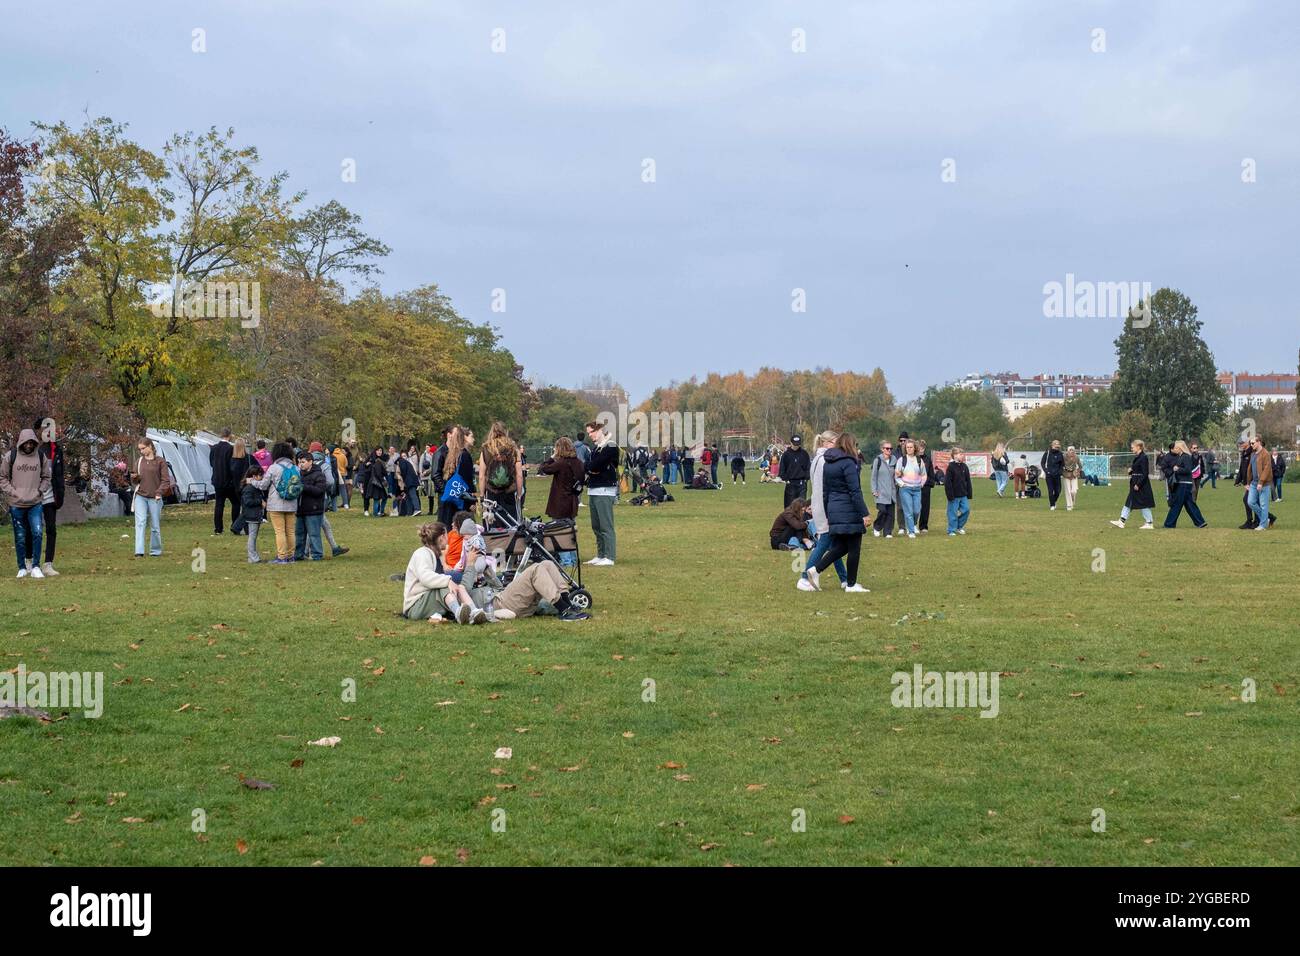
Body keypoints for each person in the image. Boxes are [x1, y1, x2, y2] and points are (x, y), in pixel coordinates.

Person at [805, 432, 870, 594]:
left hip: (834, 509)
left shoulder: (828, 463)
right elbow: (855, 491)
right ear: (850, 445)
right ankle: (851, 584)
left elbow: (825, 491)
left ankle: (816, 570)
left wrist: (828, 511)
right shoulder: (848, 463)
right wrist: (865, 513)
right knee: (854, 546)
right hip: (849, 509)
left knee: (841, 546)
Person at [401, 522, 490, 624]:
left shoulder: (435, 555)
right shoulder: (421, 554)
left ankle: (474, 612)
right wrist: (448, 581)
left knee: (457, 586)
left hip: (426, 601)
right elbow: (425, 578)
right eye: (447, 535)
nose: (448, 539)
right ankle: (458, 613)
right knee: (445, 585)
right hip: (414, 607)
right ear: (441, 537)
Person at [798, 431, 849, 590]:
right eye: (835, 442)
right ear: (825, 443)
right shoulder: (824, 461)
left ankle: (844, 579)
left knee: (833, 544)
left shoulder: (818, 459)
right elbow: (823, 487)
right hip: (824, 506)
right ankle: (805, 577)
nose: (838, 445)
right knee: (825, 541)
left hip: (820, 504)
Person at [2, 427, 53, 578]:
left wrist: (40, 490)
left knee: (37, 533)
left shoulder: (40, 456)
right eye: (27, 443)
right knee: (20, 536)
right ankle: (22, 567)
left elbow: (46, 477)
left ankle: (36, 566)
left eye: (32, 443)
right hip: (16, 504)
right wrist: (12, 491)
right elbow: (2, 477)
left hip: (35, 503)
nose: (29, 445)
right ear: (21, 442)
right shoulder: (10, 456)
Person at [21, 418, 64, 576]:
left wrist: (60, 494)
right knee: (32, 529)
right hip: (34, 496)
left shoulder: (56, 450)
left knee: (51, 529)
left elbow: (60, 474)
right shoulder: (30, 448)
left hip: (50, 497)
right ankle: (29, 561)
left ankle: (48, 564)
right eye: (45, 428)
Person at [251, 442, 300, 563]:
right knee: (290, 531)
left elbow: (263, 485)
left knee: (280, 531)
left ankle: (282, 556)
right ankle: (291, 556)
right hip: (292, 503)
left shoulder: (273, 468)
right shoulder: (296, 468)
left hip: (276, 504)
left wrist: (252, 481)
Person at [129, 437, 173, 557]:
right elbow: (134, 481)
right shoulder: (138, 461)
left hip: (155, 498)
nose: (141, 451)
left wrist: (159, 492)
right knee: (140, 523)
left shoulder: (160, 461)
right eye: (140, 449)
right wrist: (134, 478)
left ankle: (155, 551)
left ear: (150, 446)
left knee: (155, 526)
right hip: (140, 496)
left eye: (143, 448)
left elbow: (166, 481)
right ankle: (139, 551)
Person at [584, 420, 619, 566]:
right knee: (596, 526)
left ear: (599, 430)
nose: (590, 435)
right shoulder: (596, 448)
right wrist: (591, 468)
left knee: (606, 525)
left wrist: (591, 468)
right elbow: (589, 466)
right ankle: (600, 554)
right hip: (593, 488)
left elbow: (596, 465)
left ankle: (609, 556)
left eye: (591, 432)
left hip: (605, 490)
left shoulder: (610, 446)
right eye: (588, 433)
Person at [478, 421, 523, 529]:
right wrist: (519, 493)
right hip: (509, 491)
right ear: (505, 432)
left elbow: (481, 476)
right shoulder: (513, 449)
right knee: (512, 523)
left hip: (491, 492)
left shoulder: (486, 449)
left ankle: (494, 543)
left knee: (491, 522)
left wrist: (482, 495)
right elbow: (519, 474)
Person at [1110, 439, 1155, 529]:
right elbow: (1138, 470)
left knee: (1143, 504)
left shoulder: (1143, 457)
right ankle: (1121, 521)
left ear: (1138, 447)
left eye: (1132, 447)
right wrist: (1131, 471)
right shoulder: (1138, 457)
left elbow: (1145, 473)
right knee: (1129, 502)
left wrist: (1138, 484)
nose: (1131, 449)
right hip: (1135, 484)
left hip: (1141, 485)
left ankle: (1149, 523)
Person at [1163, 440, 1208, 529]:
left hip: (1183, 484)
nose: (1174, 449)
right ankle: (1200, 522)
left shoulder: (1186, 457)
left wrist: (1177, 469)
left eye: (1176, 447)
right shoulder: (1181, 457)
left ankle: (1169, 524)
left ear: (1180, 448)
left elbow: (1188, 470)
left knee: (1176, 504)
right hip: (1184, 484)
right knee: (1189, 504)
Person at [537, 437, 585, 520]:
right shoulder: (579, 462)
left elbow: (543, 469)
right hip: (573, 500)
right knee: (571, 528)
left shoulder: (561, 463)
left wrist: (552, 457)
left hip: (560, 502)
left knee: (559, 530)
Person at [292, 450, 328, 560]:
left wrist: (304, 487)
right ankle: (299, 555)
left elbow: (320, 490)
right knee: (299, 534)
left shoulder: (319, 474)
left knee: (314, 534)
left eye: (303, 462)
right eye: (299, 462)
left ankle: (317, 554)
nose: (300, 464)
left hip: (314, 509)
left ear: (310, 462)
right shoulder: (298, 474)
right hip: (301, 509)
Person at [438, 426, 478, 527]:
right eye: (471, 436)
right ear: (464, 437)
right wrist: (471, 502)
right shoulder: (464, 455)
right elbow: (467, 481)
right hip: (460, 502)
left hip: (450, 499)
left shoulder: (453, 454)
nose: (474, 439)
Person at [894, 438, 926, 538]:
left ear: (915, 448)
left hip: (917, 489)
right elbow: (896, 475)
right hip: (905, 489)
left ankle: (912, 525)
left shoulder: (919, 460)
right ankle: (911, 531)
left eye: (911, 447)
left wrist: (921, 484)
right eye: (907, 447)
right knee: (908, 510)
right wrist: (902, 484)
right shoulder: (901, 460)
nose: (909, 449)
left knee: (916, 510)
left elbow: (924, 474)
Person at [209, 428, 239, 534]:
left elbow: (211, 463)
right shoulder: (231, 448)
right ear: (229, 435)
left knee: (219, 504)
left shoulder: (214, 448)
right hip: (229, 481)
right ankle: (235, 525)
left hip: (217, 480)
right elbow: (232, 465)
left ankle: (218, 528)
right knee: (235, 503)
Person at [240, 463, 267, 562]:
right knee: (252, 536)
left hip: (255, 515)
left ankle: (252, 557)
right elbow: (248, 502)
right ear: (254, 476)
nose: (262, 477)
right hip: (252, 515)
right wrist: (260, 502)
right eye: (260, 475)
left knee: (253, 536)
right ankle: (253, 557)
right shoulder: (249, 488)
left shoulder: (254, 487)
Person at [1246, 436, 1274, 532]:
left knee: (1263, 505)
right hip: (1253, 483)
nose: (1251, 445)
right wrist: (1248, 482)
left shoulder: (1265, 454)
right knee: (1250, 502)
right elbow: (1250, 468)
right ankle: (1265, 519)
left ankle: (1262, 525)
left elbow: (1267, 469)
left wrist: (1261, 482)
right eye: (1250, 443)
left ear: (1259, 442)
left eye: (1253, 443)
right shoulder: (1253, 454)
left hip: (1264, 484)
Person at [870, 440, 897, 538]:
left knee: (890, 514)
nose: (889, 450)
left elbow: (897, 474)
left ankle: (888, 532)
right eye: (887, 448)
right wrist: (874, 490)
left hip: (892, 492)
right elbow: (873, 477)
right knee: (883, 511)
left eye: (890, 448)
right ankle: (877, 527)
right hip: (880, 492)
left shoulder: (894, 460)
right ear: (882, 449)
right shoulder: (878, 460)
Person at [944, 447, 973, 535]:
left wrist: (969, 493)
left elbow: (968, 480)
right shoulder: (950, 467)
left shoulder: (965, 466)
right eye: (960, 454)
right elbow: (948, 483)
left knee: (966, 510)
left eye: (962, 454)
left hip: (963, 494)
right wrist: (950, 495)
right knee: (952, 513)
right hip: (954, 495)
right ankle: (951, 530)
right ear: (955, 455)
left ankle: (959, 527)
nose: (962, 456)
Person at [779, 435, 811, 507]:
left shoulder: (804, 454)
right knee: (790, 505)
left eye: (798, 444)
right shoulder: (786, 454)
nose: (796, 446)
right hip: (790, 483)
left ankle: (801, 518)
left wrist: (806, 478)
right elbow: (782, 468)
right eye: (794, 444)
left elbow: (808, 467)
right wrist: (785, 479)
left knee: (802, 505)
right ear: (791, 443)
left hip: (802, 483)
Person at [229, 439, 251, 524]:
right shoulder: (248, 458)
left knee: (235, 506)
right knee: (245, 506)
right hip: (245, 485)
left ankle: (235, 523)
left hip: (235, 486)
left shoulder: (231, 460)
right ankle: (242, 524)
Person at [917, 437, 936, 533]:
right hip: (914, 485)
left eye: (923, 448)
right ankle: (912, 525)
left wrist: (930, 483)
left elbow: (931, 473)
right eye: (919, 447)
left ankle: (923, 526)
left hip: (926, 486)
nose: (921, 449)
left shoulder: (928, 459)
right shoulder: (912, 459)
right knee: (914, 507)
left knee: (925, 507)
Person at [1040, 440, 1065, 510]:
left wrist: (1060, 472)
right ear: (1052, 446)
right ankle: (1052, 505)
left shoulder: (1060, 454)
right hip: (1049, 475)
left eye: (1058, 447)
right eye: (1056, 447)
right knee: (1050, 490)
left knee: (1058, 491)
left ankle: (1053, 501)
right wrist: (1046, 471)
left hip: (1057, 475)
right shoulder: (1047, 453)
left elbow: (1062, 464)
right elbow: (1042, 463)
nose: (1057, 448)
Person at [367, 447, 391, 517]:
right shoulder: (378, 462)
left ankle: (381, 512)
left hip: (379, 482)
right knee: (376, 499)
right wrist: (383, 481)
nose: (379, 452)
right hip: (376, 483)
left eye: (381, 450)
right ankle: (376, 514)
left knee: (384, 498)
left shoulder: (380, 461)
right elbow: (378, 473)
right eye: (378, 450)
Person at [1061, 445, 1082, 511]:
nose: (1071, 452)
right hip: (1066, 474)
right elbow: (1060, 466)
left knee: (1074, 491)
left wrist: (1077, 472)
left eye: (1073, 450)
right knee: (1068, 491)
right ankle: (1069, 505)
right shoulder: (1064, 457)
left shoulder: (1076, 457)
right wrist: (1064, 473)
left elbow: (1080, 466)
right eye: (1070, 450)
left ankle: (1072, 502)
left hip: (1074, 475)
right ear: (1067, 451)